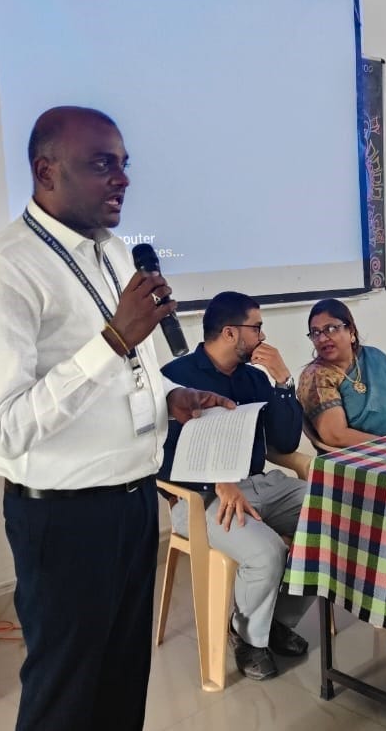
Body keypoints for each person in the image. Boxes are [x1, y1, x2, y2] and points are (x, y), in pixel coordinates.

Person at [0, 106, 233, 731]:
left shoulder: (115, 254)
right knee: (65, 696)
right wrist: (113, 339)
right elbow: (8, 427)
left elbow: (128, 372)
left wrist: (169, 397)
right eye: (102, 164)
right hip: (65, 518)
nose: (122, 178)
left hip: (134, 501)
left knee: (123, 683)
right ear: (46, 171)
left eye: (124, 164)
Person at [158, 291, 310, 680]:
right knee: (268, 552)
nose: (263, 335)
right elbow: (157, 458)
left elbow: (285, 442)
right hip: (198, 497)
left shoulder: (253, 378)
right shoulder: (175, 378)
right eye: (256, 327)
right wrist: (215, 480)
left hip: (258, 483)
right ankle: (247, 636)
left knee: (332, 518)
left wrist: (283, 380)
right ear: (230, 332)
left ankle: (275, 620)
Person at [298, 298, 386, 447]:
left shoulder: (374, 356)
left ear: (351, 331)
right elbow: (336, 436)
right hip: (365, 455)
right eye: (315, 332)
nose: (322, 338)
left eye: (331, 329)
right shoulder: (317, 376)